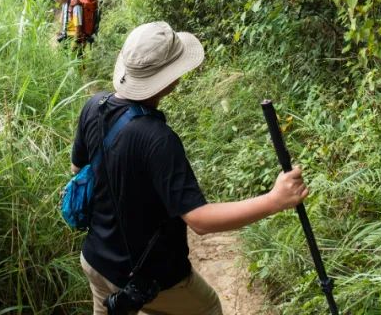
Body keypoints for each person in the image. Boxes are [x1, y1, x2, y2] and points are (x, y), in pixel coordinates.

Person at [71, 21, 309, 315]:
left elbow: (78, 169)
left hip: (95, 260)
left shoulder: (94, 106)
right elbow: (200, 220)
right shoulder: (158, 140)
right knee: (207, 308)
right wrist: (274, 200)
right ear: (168, 79)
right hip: (150, 279)